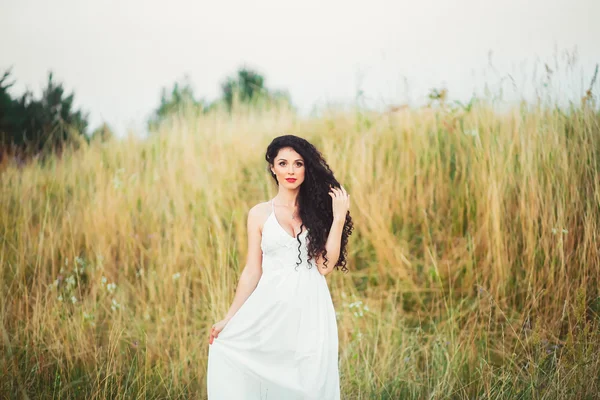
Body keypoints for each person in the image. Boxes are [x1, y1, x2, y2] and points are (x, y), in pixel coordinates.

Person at [206, 134, 354, 399]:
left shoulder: (318, 211)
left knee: (310, 382)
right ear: (272, 167)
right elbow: (252, 270)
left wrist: (339, 216)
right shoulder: (259, 214)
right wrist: (229, 318)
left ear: (306, 168)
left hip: (311, 309)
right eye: (283, 163)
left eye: (298, 164)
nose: (291, 170)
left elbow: (325, 266)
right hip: (270, 310)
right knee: (267, 381)